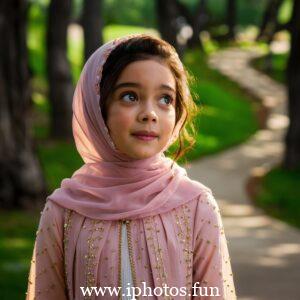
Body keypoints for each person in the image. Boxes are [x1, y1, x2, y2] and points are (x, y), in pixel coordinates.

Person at [26, 33, 237, 300]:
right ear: (98, 108)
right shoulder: (63, 212)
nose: (149, 113)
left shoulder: (196, 206)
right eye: (130, 96)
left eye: (165, 99)